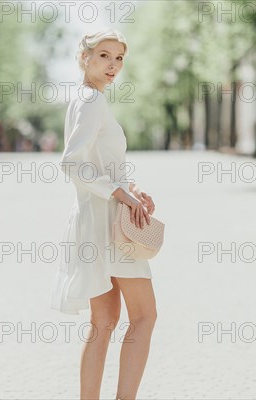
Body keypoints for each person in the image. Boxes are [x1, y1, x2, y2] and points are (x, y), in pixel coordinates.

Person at [50, 28, 158, 400]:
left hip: (95, 220)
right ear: (84, 58)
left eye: (119, 59)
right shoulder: (91, 102)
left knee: (103, 323)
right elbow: (72, 164)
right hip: (109, 224)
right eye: (104, 56)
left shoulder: (85, 99)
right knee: (144, 317)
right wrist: (121, 195)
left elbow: (99, 165)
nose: (113, 65)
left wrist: (132, 191)